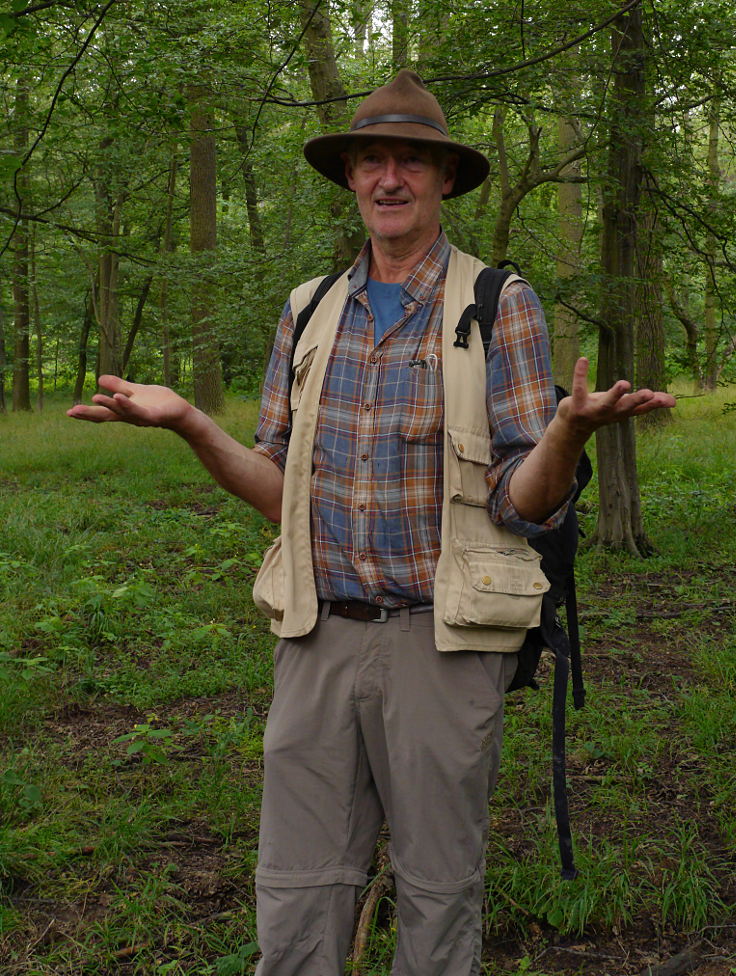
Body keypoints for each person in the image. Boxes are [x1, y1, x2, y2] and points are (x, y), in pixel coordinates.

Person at [69, 70, 675, 976]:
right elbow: (283, 492)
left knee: (437, 893)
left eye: (410, 162)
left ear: (442, 180)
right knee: (296, 889)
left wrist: (565, 433)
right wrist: (193, 425)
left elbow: (521, 499)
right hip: (317, 640)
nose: (389, 178)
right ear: (350, 178)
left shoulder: (495, 303)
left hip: (445, 644)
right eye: (371, 161)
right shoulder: (309, 308)